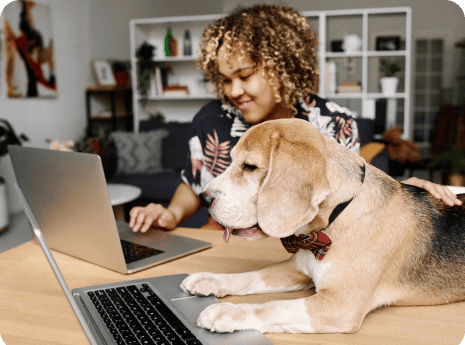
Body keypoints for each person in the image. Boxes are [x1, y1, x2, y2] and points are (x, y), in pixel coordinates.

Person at [129, 4, 461, 233]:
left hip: (304, 247)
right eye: (226, 79)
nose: (233, 90)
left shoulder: (333, 121)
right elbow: (194, 181)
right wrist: (170, 214)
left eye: (245, 75)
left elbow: (354, 194)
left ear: (282, 67)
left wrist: (405, 194)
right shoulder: (211, 118)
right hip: (227, 244)